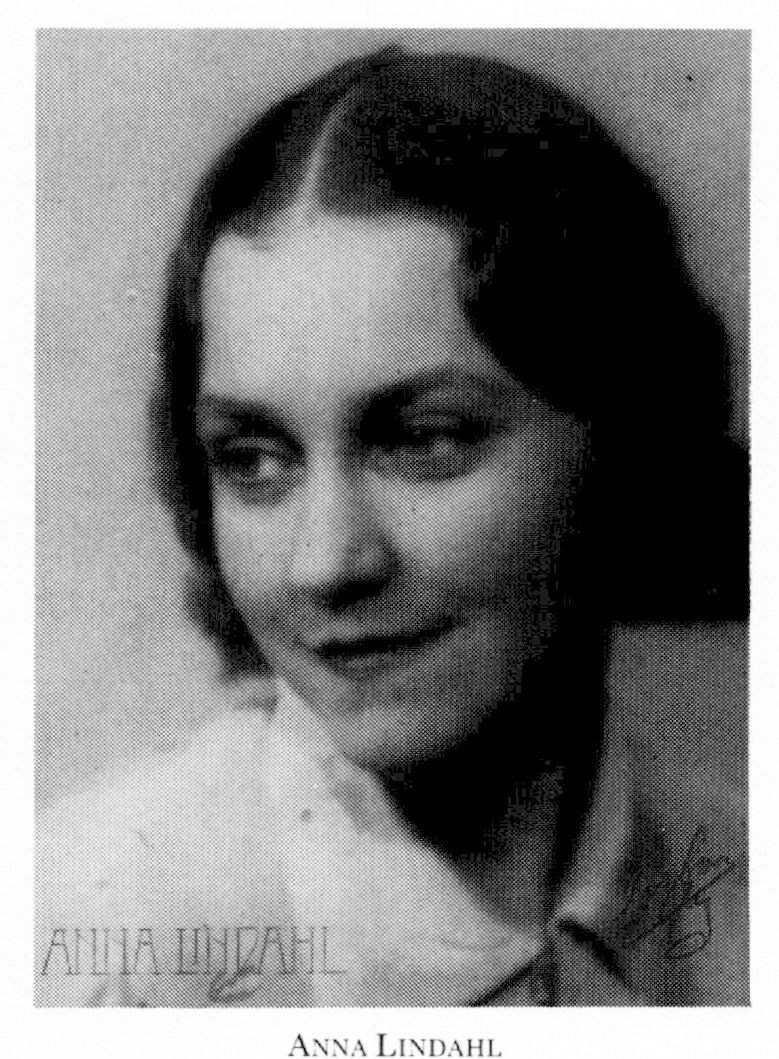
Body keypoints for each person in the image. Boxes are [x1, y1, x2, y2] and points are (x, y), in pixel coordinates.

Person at [36, 45, 748, 1007]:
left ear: (626, 441)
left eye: (424, 440)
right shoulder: (77, 931)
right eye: (253, 458)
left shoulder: (740, 900)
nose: (325, 563)